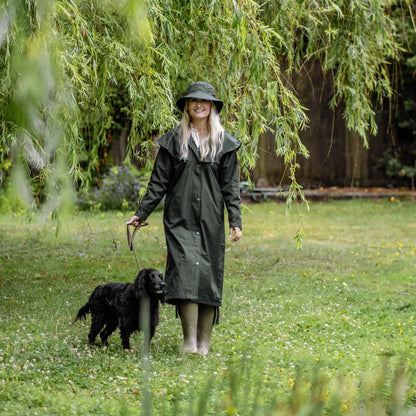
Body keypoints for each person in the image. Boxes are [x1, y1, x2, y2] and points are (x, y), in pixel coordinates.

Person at [126, 81, 242, 356]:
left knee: (209, 275)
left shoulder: (224, 143)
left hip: (211, 220)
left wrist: (235, 221)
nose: (199, 105)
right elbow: (158, 183)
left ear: (212, 106)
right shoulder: (174, 140)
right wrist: (141, 213)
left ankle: (204, 344)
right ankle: (189, 342)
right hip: (180, 219)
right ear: (187, 106)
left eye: (204, 101)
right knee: (186, 271)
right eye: (193, 101)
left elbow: (231, 188)